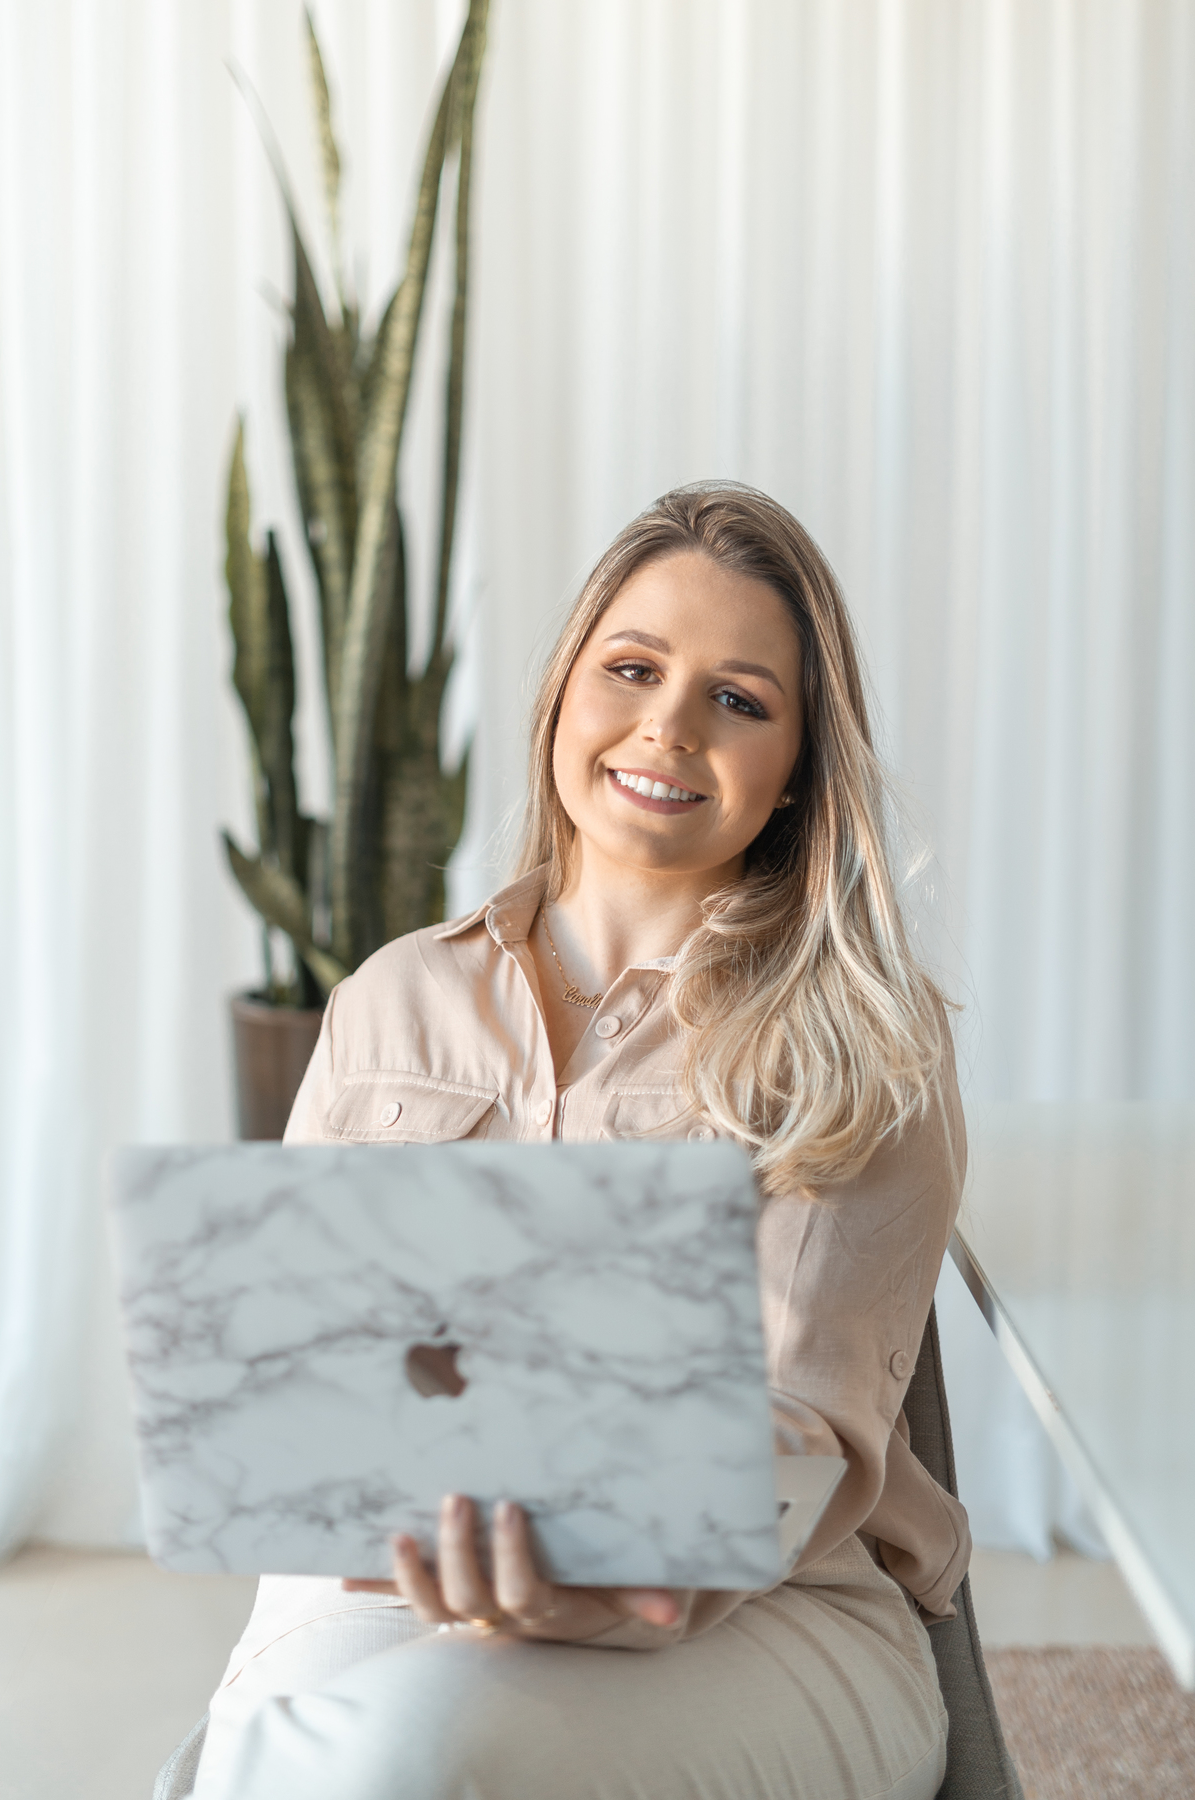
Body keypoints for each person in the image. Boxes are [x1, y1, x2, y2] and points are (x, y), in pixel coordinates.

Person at [190, 483, 969, 1800]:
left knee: (390, 1758)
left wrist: (582, 1569)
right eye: (633, 668)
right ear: (564, 693)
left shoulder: (858, 1038)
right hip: (404, 1567)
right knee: (277, 1759)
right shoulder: (389, 1000)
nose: (669, 726)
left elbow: (793, 1433)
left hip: (771, 1606)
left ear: (795, 770)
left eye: (739, 699)